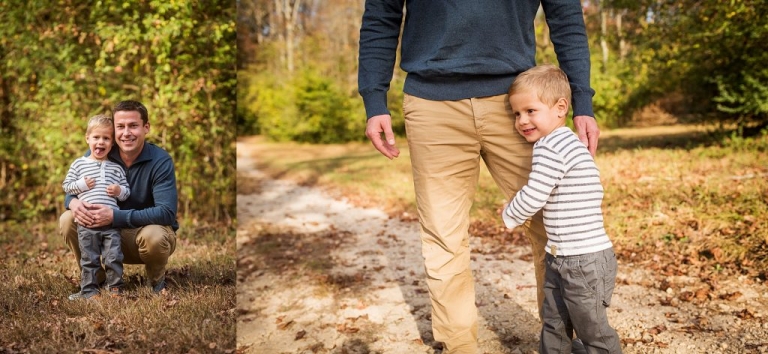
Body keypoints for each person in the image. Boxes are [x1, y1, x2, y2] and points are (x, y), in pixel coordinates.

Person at [358, 1, 599, 352]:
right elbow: (381, 15)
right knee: (443, 234)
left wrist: (582, 101)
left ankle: (560, 343)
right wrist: (374, 97)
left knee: (555, 225)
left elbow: (566, 16)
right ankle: (458, 346)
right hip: (431, 102)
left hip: (519, 100)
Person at [501, 64, 621, 353]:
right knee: (554, 319)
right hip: (561, 255)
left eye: (530, 111)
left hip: (584, 260)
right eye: (517, 113)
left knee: (591, 328)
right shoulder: (561, 142)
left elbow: (534, 194)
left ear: (560, 108)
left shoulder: (551, 146)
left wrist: (510, 213)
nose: (522, 120)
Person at [60, 100, 178, 294]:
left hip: (141, 235)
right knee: (68, 219)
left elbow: (166, 213)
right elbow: (74, 189)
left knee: (154, 236)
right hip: (102, 232)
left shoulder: (160, 160)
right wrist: (71, 202)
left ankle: (156, 282)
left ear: (146, 127)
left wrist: (115, 216)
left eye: (133, 126)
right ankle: (94, 279)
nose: (126, 133)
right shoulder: (101, 149)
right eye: (120, 127)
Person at [63, 115, 131, 300]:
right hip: (87, 222)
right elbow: (67, 186)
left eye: (106, 138)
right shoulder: (79, 164)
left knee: (113, 256)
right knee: (89, 259)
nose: (101, 142)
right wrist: (82, 185)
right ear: (88, 139)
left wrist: (118, 190)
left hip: (110, 224)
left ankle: (115, 288)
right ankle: (89, 291)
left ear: (112, 144)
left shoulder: (116, 168)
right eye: (96, 137)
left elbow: (126, 193)